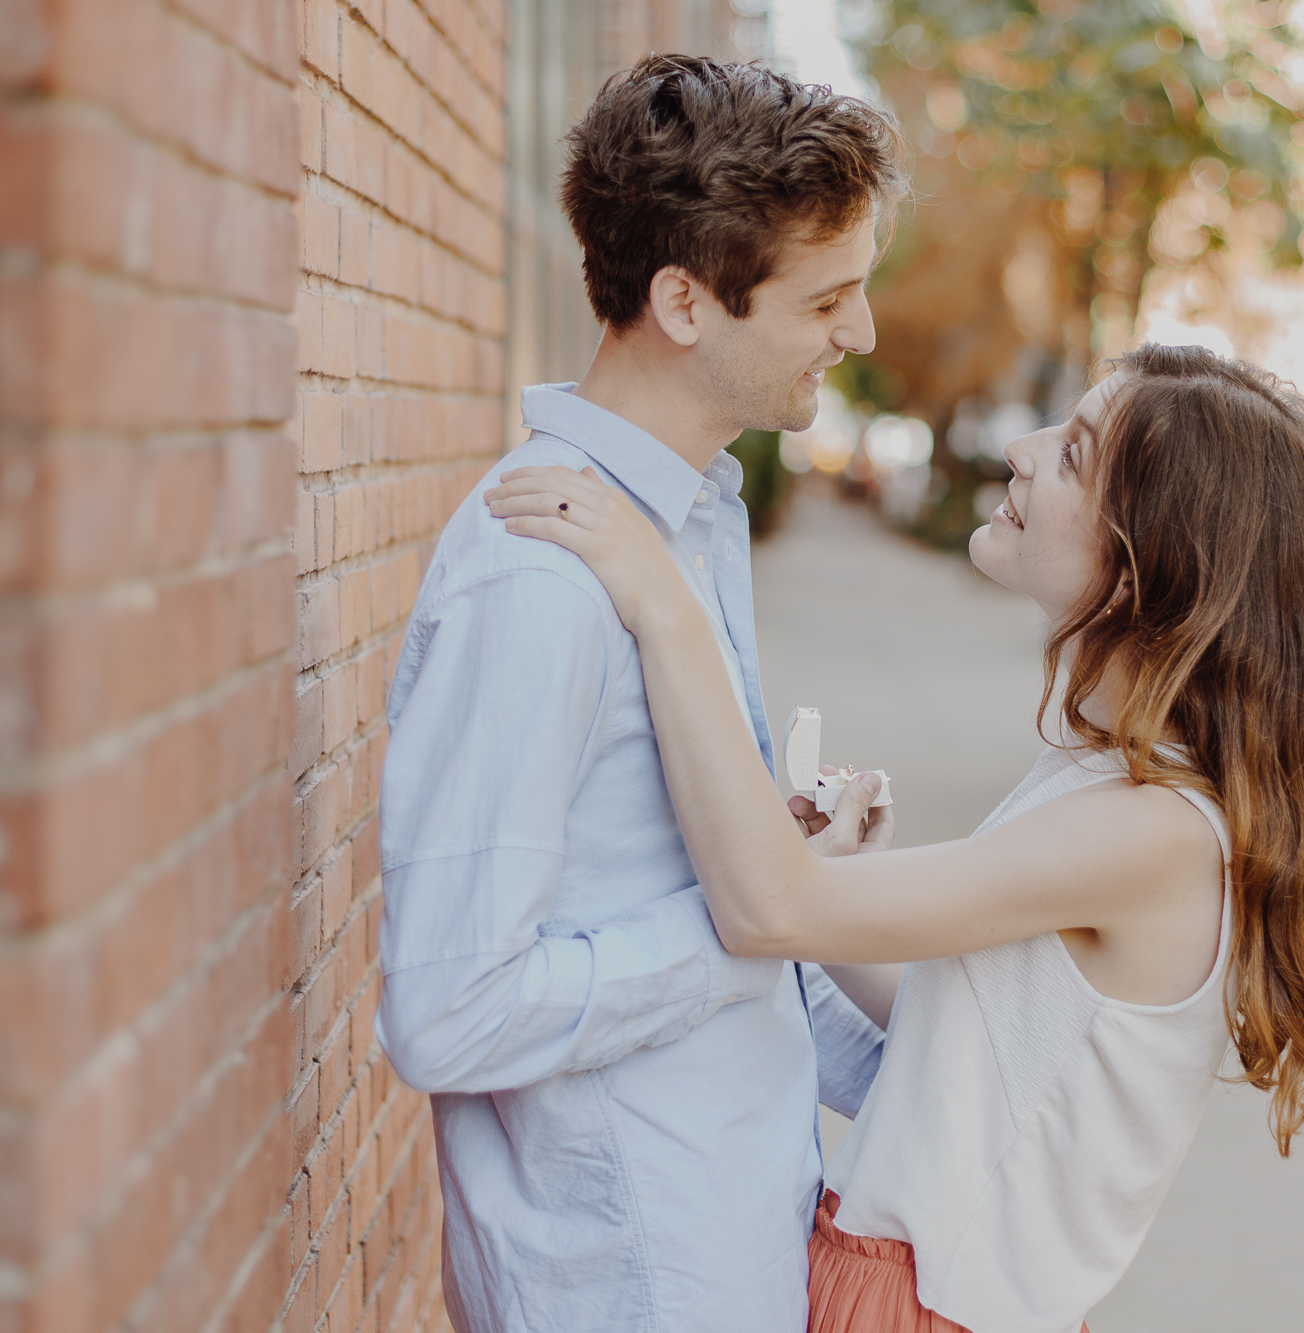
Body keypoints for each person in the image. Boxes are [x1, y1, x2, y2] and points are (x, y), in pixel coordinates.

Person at [485, 343, 1304, 1333]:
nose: (1019, 447)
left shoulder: (1154, 831)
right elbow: (949, 1027)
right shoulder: (1113, 784)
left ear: (1147, 568)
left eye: (1076, 455)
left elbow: (765, 908)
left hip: (914, 1307)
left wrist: (662, 603)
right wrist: (853, 889)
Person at [375, 55, 911, 1333]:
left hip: (725, 1233)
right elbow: (447, 1012)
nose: (863, 333)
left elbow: (675, 918)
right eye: (828, 296)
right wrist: (742, 913)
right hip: (627, 1281)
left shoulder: (684, 524)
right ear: (683, 299)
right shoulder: (540, 577)